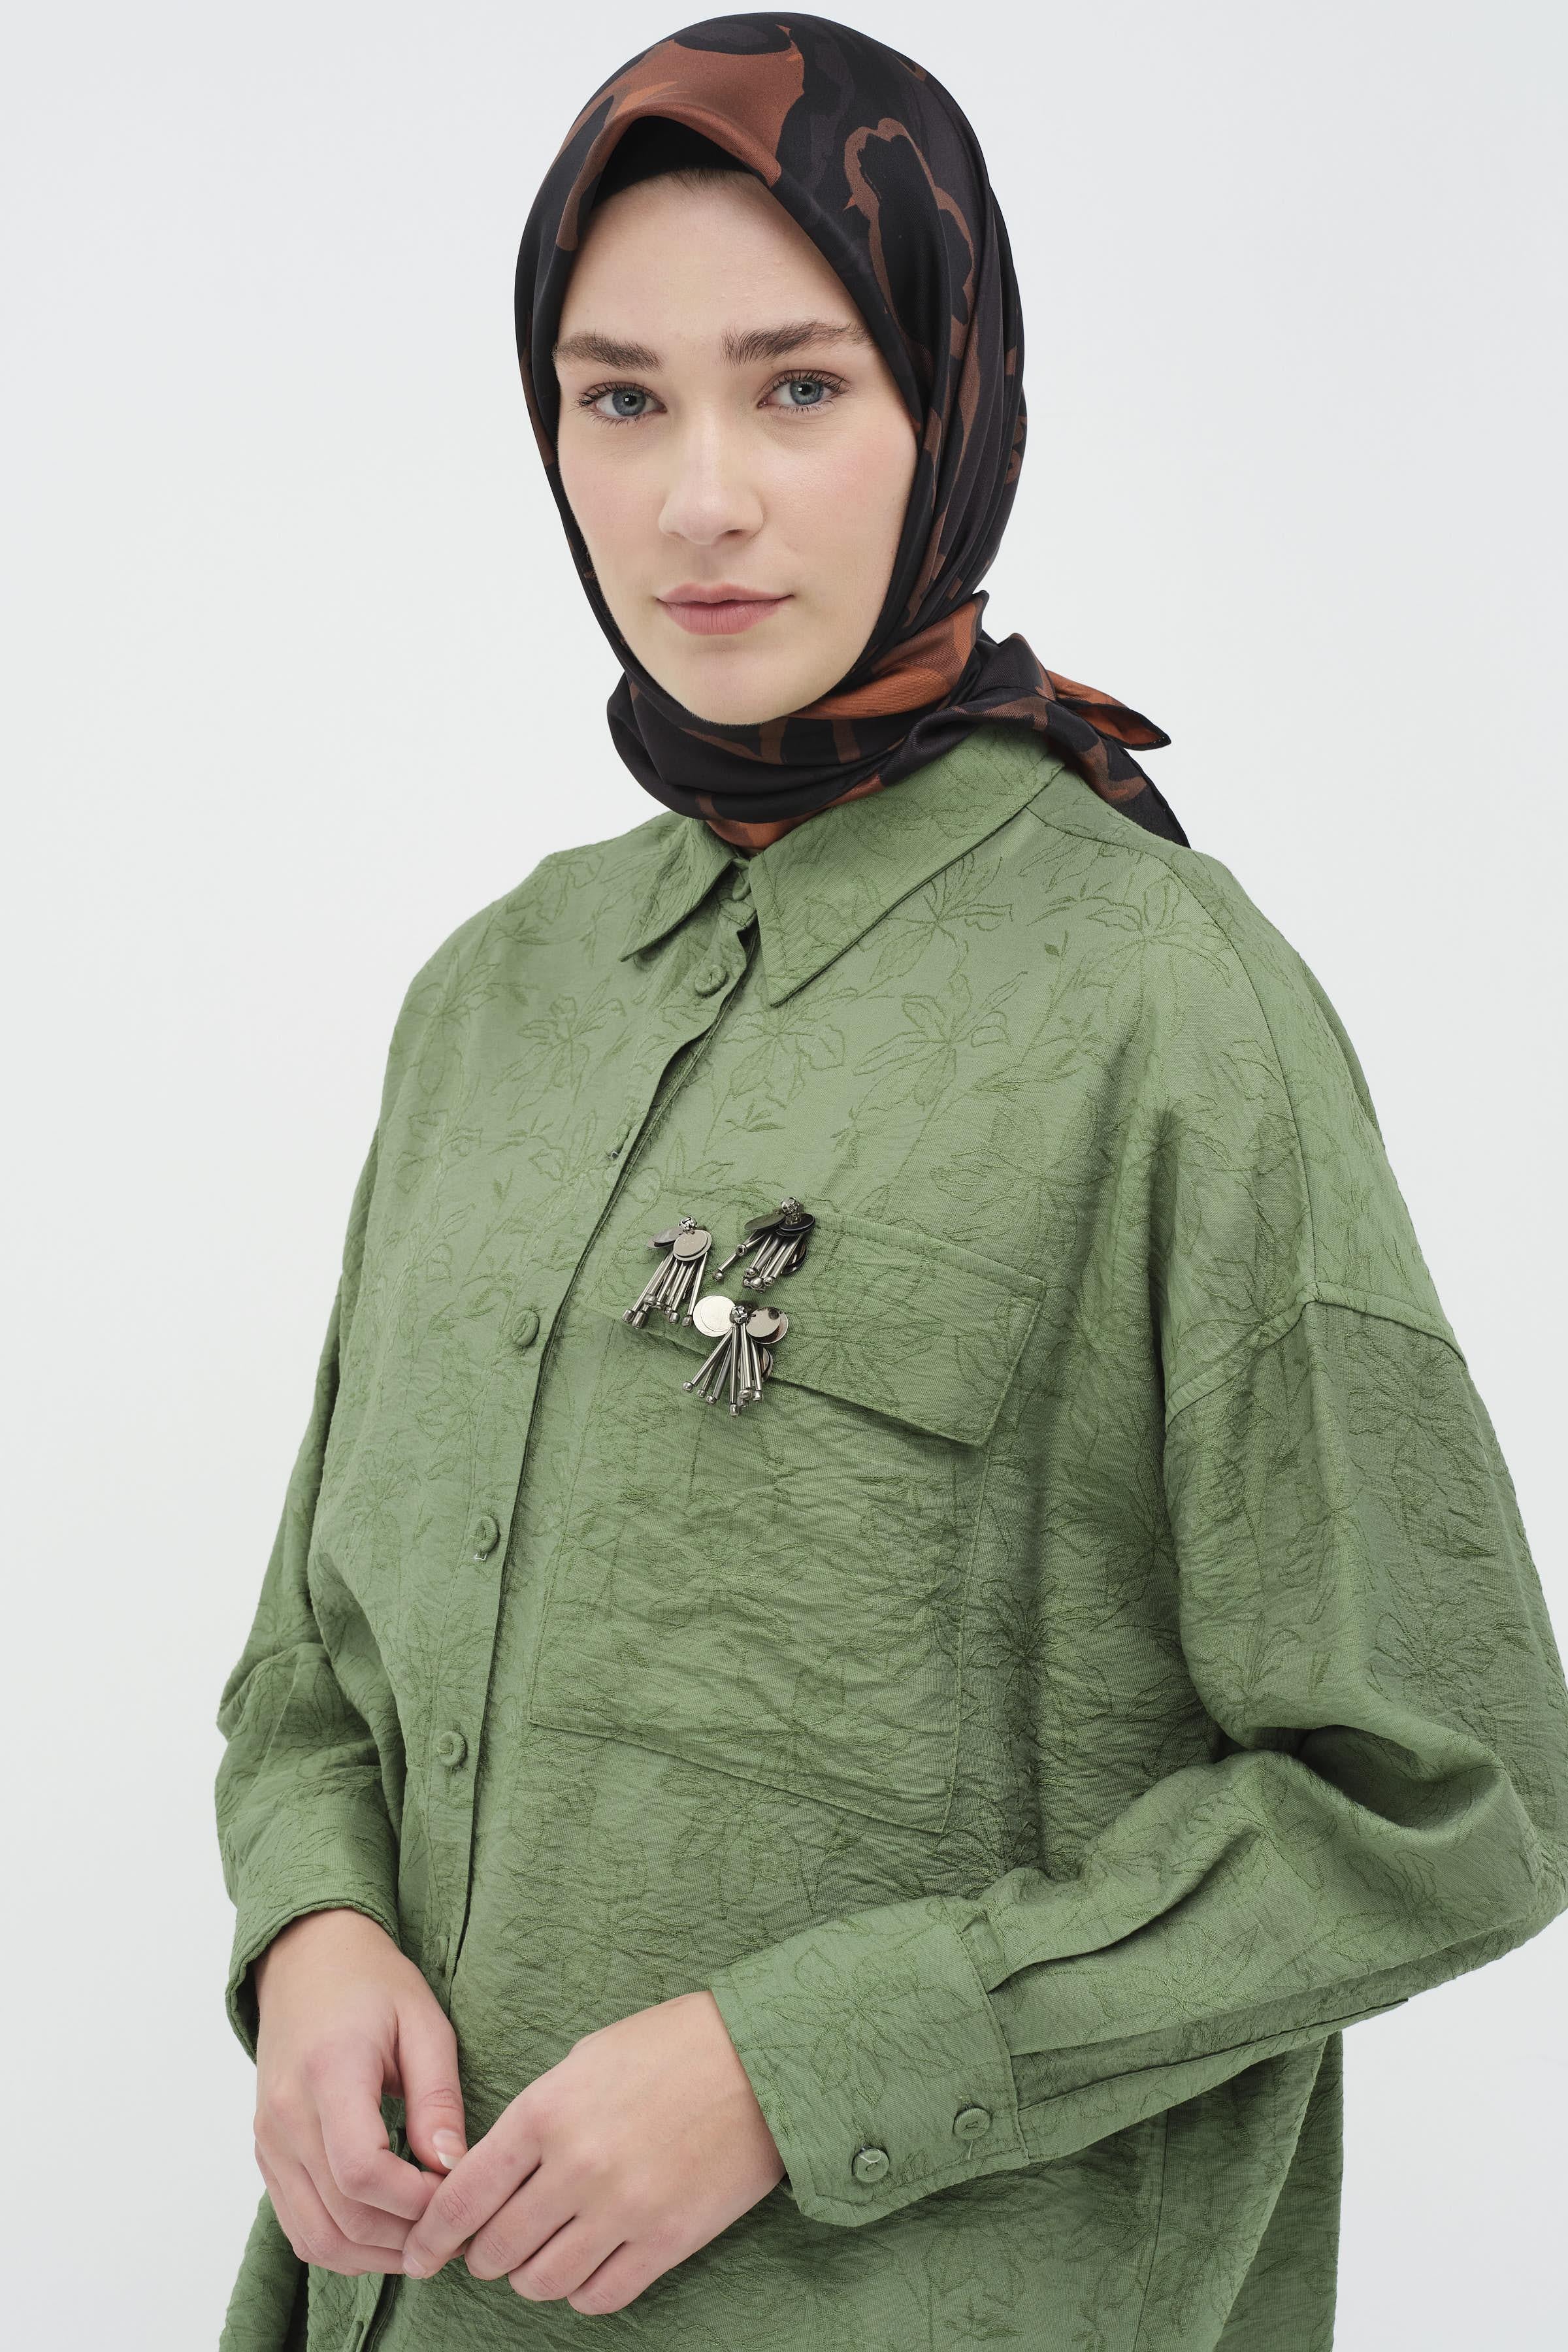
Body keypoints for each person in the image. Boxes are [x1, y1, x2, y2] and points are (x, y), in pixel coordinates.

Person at [213, 15, 1568, 2351]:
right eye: (618, 397)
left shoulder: (1167, 1006)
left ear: (952, 401)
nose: (699, 499)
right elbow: (314, 1666)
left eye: (800, 387)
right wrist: (312, 1927)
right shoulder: (494, 999)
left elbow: (1451, 1795)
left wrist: (803, 2067)